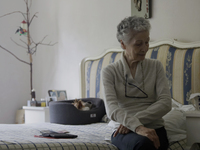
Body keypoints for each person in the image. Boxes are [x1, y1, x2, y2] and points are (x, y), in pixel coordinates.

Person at [101, 16, 171, 150]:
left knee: (148, 143)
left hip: (153, 128)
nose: (145, 48)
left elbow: (166, 103)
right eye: (138, 44)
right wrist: (136, 127)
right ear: (122, 44)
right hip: (122, 131)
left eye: (147, 42)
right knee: (142, 144)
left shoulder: (156, 66)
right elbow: (112, 109)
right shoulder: (109, 72)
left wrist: (134, 122)